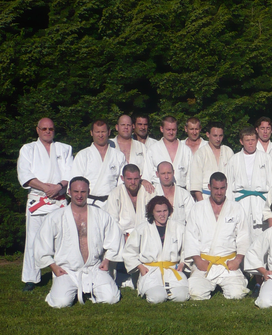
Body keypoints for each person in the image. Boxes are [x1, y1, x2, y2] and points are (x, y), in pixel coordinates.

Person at [34, 177, 124, 308]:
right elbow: (41, 245)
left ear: (88, 192)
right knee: (61, 303)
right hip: (67, 270)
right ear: (69, 192)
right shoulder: (56, 217)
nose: (79, 195)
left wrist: (107, 260)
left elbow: (114, 239)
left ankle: (86, 289)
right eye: (76, 191)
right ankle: (72, 288)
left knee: (111, 298)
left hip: (94, 267)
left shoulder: (101, 215)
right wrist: (54, 267)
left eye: (83, 191)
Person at [17, 118, 73, 290]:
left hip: (58, 200)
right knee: (33, 241)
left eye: (50, 129)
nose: (47, 131)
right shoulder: (28, 149)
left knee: (62, 240)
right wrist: (45, 187)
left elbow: (70, 173)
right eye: (44, 129)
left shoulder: (65, 148)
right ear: (37, 130)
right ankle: (31, 278)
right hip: (38, 199)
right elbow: (24, 174)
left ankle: (63, 275)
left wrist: (58, 187)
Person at [183, 172, 250, 301]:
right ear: (209, 187)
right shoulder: (197, 208)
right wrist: (198, 260)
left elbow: (244, 236)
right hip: (205, 263)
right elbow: (191, 237)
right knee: (196, 294)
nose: (219, 192)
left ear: (226, 187)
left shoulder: (236, 208)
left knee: (237, 294)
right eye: (216, 188)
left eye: (222, 188)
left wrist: (237, 260)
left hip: (227, 263)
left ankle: (233, 281)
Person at [123, 196, 189, 303]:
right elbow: (129, 252)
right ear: (152, 212)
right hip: (150, 271)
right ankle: (158, 291)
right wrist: (140, 267)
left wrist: (183, 263)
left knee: (182, 296)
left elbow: (187, 249)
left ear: (169, 211)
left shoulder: (179, 228)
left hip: (172, 270)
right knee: (157, 297)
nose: (162, 214)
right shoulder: (142, 229)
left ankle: (168, 291)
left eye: (165, 211)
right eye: (158, 211)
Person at [227, 127, 272, 240]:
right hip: (240, 202)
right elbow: (228, 186)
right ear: (241, 142)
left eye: (253, 140)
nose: (250, 143)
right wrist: (230, 207)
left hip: (261, 202)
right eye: (247, 140)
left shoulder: (266, 158)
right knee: (241, 236)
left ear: (257, 140)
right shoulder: (234, 160)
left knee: (261, 238)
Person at [71, 120, 127, 207]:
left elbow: (122, 183)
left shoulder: (118, 156)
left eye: (103, 132)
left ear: (109, 132)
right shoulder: (83, 155)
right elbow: (75, 183)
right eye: (97, 132)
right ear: (91, 133)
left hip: (111, 203)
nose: (100, 135)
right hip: (88, 202)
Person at [190, 122, 234, 201]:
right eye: (215, 135)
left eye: (220, 136)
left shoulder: (228, 151)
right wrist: (201, 204)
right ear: (208, 134)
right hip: (206, 196)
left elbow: (233, 178)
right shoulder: (200, 153)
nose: (218, 139)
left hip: (226, 197)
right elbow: (196, 184)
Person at [146, 116, 193, 190]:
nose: (171, 132)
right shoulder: (153, 149)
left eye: (173, 130)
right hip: (158, 191)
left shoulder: (186, 150)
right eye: (168, 129)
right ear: (161, 129)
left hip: (181, 191)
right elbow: (147, 176)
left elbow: (190, 177)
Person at [110, 115, 153, 187]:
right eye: (123, 125)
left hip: (138, 187)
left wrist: (144, 181)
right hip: (114, 188)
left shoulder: (141, 147)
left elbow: (148, 169)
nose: (126, 127)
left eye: (128, 125)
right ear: (117, 127)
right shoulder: (110, 145)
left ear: (133, 127)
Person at [153, 161, 194, 227]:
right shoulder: (152, 193)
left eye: (169, 173)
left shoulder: (184, 194)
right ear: (157, 174)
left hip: (181, 231)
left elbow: (192, 218)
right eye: (163, 173)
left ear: (173, 173)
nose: (166, 177)